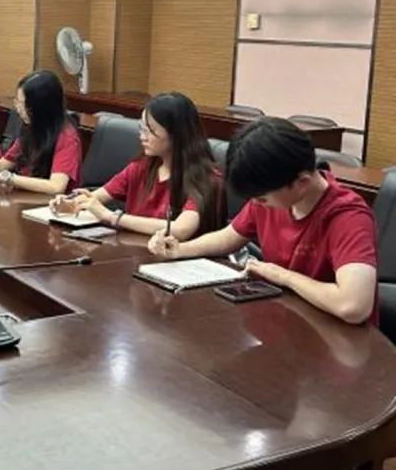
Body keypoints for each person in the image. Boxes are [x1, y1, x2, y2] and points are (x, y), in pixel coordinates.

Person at [149, 117, 377, 325]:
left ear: (302, 182)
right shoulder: (273, 197)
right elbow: (228, 237)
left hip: (337, 340)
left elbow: (353, 306)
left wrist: (283, 276)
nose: (257, 204)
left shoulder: (347, 216)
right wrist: (180, 250)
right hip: (287, 323)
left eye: (261, 198)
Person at [50, 92, 220, 238]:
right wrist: (69, 203)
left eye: (150, 131)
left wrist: (112, 217)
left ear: (176, 134)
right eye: (142, 128)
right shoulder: (142, 167)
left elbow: (181, 230)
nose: (142, 136)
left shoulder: (206, 178)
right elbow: (95, 198)